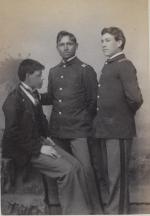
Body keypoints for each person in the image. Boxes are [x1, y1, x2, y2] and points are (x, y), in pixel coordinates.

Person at [2, 58, 94, 215]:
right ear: (28, 76)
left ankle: (84, 211)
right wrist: (39, 148)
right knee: (67, 170)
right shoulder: (13, 100)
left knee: (76, 166)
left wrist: (47, 137)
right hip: (24, 150)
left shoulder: (33, 94)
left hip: (38, 142)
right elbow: (12, 135)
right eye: (39, 75)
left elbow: (40, 120)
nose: (42, 78)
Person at [41, 31, 102, 213]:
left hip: (79, 130)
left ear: (76, 46)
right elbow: (51, 97)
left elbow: (93, 102)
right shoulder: (53, 71)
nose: (65, 47)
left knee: (85, 171)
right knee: (65, 172)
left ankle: (96, 211)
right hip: (58, 131)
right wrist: (31, 94)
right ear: (57, 47)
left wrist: (82, 120)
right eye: (62, 44)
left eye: (69, 44)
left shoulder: (86, 69)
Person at [92, 27, 143, 214]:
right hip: (106, 130)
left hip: (118, 130)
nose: (103, 44)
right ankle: (115, 210)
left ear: (119, 42)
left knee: (117, 177)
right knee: (111, 175)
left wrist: (120, 118)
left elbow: (135, 99)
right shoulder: (109, 65)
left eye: (107, 40)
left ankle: (117, 213)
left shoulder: (124, 64)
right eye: (102, 41)